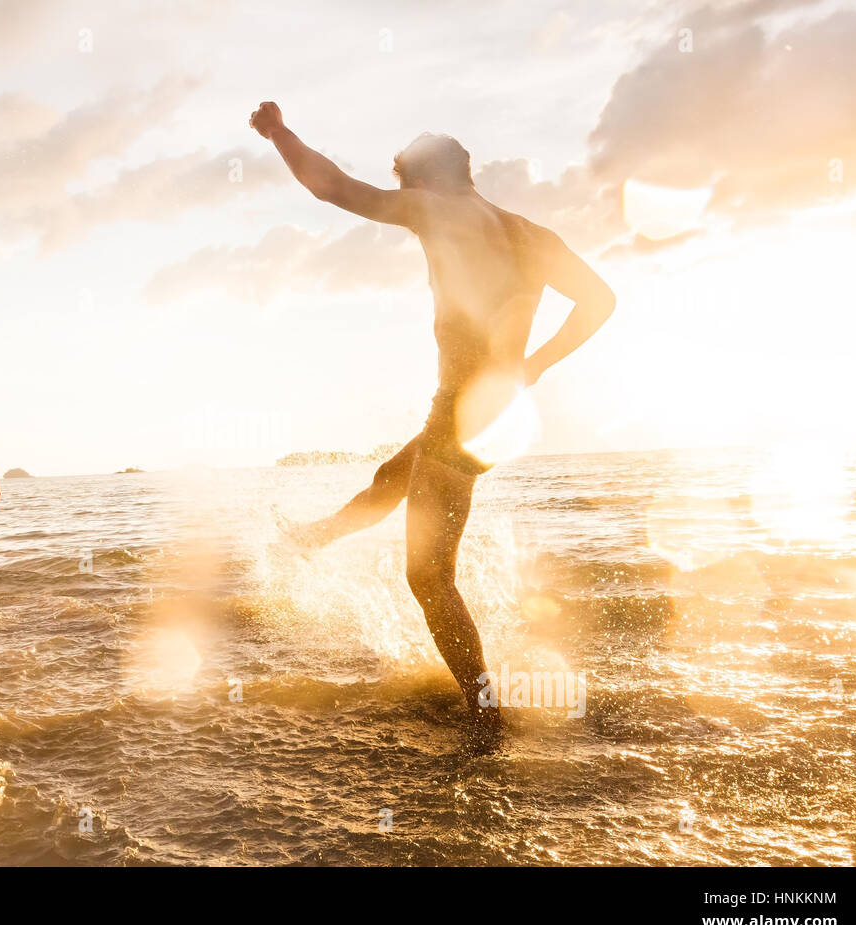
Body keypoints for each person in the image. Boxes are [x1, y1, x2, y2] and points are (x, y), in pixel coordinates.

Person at [250, 102, 616, 745]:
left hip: (463, 408)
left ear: (419, 181)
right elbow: (600, 299)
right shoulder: (530, 233)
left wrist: (279, 133)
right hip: (493, 406)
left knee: (427, 575)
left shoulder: (433, 209)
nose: (400, 196)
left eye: (402, 184)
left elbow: (334, 187)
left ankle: (485, 715)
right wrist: (533, 367)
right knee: (393, 474)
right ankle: (318, 537)